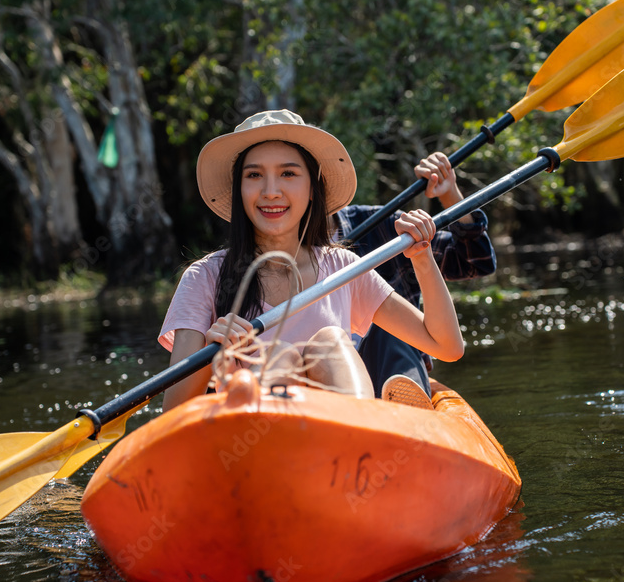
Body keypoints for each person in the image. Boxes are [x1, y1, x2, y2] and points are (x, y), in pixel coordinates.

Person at [159, 110, 465, 412]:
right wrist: (209, 356)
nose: (271, 191)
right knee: (279, 355)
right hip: (258, 439)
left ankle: (358, 434)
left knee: (330, 342)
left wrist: (423, 258)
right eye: (254, 175)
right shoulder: (204, 277)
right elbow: (173, 410)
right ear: (239, 189)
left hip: (341, 437)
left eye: (288, 174)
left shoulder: (345, 268)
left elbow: (447, 346)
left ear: (311, 189)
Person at [335, 153, 496, 398]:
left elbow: (475, 261)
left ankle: (406, 405)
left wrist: (449, 193)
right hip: (326, 376)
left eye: (290, 174)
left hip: (388, 368)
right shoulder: (266, 256)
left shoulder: (384, 226)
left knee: (387, 325)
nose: (275, 192)